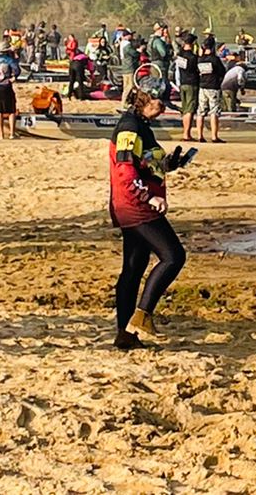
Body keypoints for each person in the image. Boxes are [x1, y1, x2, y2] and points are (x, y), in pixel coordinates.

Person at [109, 84, 189, 350]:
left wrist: (169, 164)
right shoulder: (129, 127)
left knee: (133, 268)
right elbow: (125, 169)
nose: (163, 106)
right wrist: (148, 197)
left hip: (133, 204)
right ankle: (142, 315)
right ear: (143, 98)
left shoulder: (141, 124)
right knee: (173, 256)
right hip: (135, 206)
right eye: (159, 100)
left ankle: (125, 334)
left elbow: (145, 164)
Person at [0, 45, 20, 139]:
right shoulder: (8, 60)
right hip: (6, 85)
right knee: (11, 110)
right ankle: (12, 134)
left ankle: (1, 135)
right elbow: (17, 70)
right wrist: (13, 77)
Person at [194, 41, 223, 143]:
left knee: (200, 112)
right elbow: (222, 72)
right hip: (213, 87)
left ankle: (199, 136)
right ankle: (214, 136)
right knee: (214, 111)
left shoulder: (200, 60)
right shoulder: (215, 59)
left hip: (202, 87)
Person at [174, 34, 200, 142]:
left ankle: (185, 132)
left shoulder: (180, 55)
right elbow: (197, 70)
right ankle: (186, 134)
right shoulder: (193, 57)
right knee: (190, 109)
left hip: (182, 83)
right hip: (191, 84)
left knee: (185, 109)